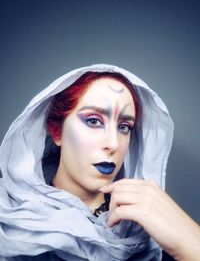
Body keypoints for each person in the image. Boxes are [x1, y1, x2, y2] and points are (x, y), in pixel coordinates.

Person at [0, 64, 199, 261]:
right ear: (56, 130)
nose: (113, 144)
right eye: (93, 121)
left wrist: (189, 239)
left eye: (124, 127)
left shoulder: (149, 226)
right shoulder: (10, 220)